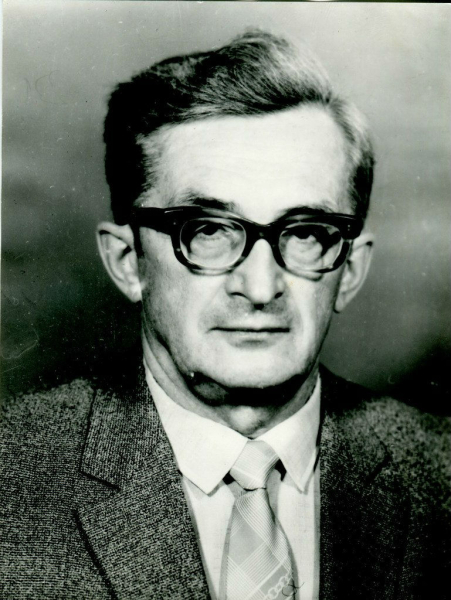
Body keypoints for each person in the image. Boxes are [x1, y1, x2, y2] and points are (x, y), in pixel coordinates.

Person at [1, 30, 449, 600]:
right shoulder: (13, 475)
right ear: (128, 262)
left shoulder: (440, 473)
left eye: (306, 233)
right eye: (207, 230)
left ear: (352, 269)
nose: (260, 289)